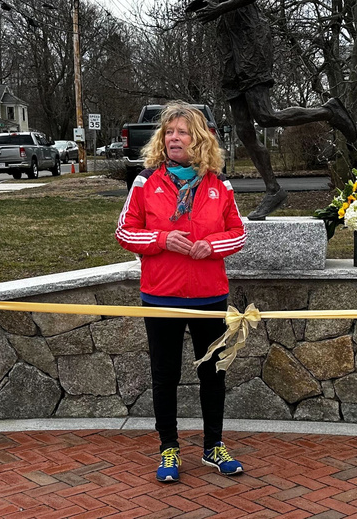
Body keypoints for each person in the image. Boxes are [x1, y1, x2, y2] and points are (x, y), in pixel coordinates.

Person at [190, 0, 357, 220]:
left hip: (250, 35)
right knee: (242, 125)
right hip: (228, 36)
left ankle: (329, 111)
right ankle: (273, 189)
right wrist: (211, 7)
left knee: (264, 115)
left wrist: (219, 8)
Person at [115, 102, 246, 483]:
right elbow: (125, 233)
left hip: (209, 298)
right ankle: (168, 449)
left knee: (213, 375)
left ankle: (213, 447)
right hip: (161, 296)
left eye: (183, 132)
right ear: (162, 139)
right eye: (170, 132)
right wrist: (162, 239)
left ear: (199, 139)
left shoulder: (219, 185)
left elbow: (238, 233)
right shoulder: (145, 182)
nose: (175, 138)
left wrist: (213, 246)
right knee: (165, 376)